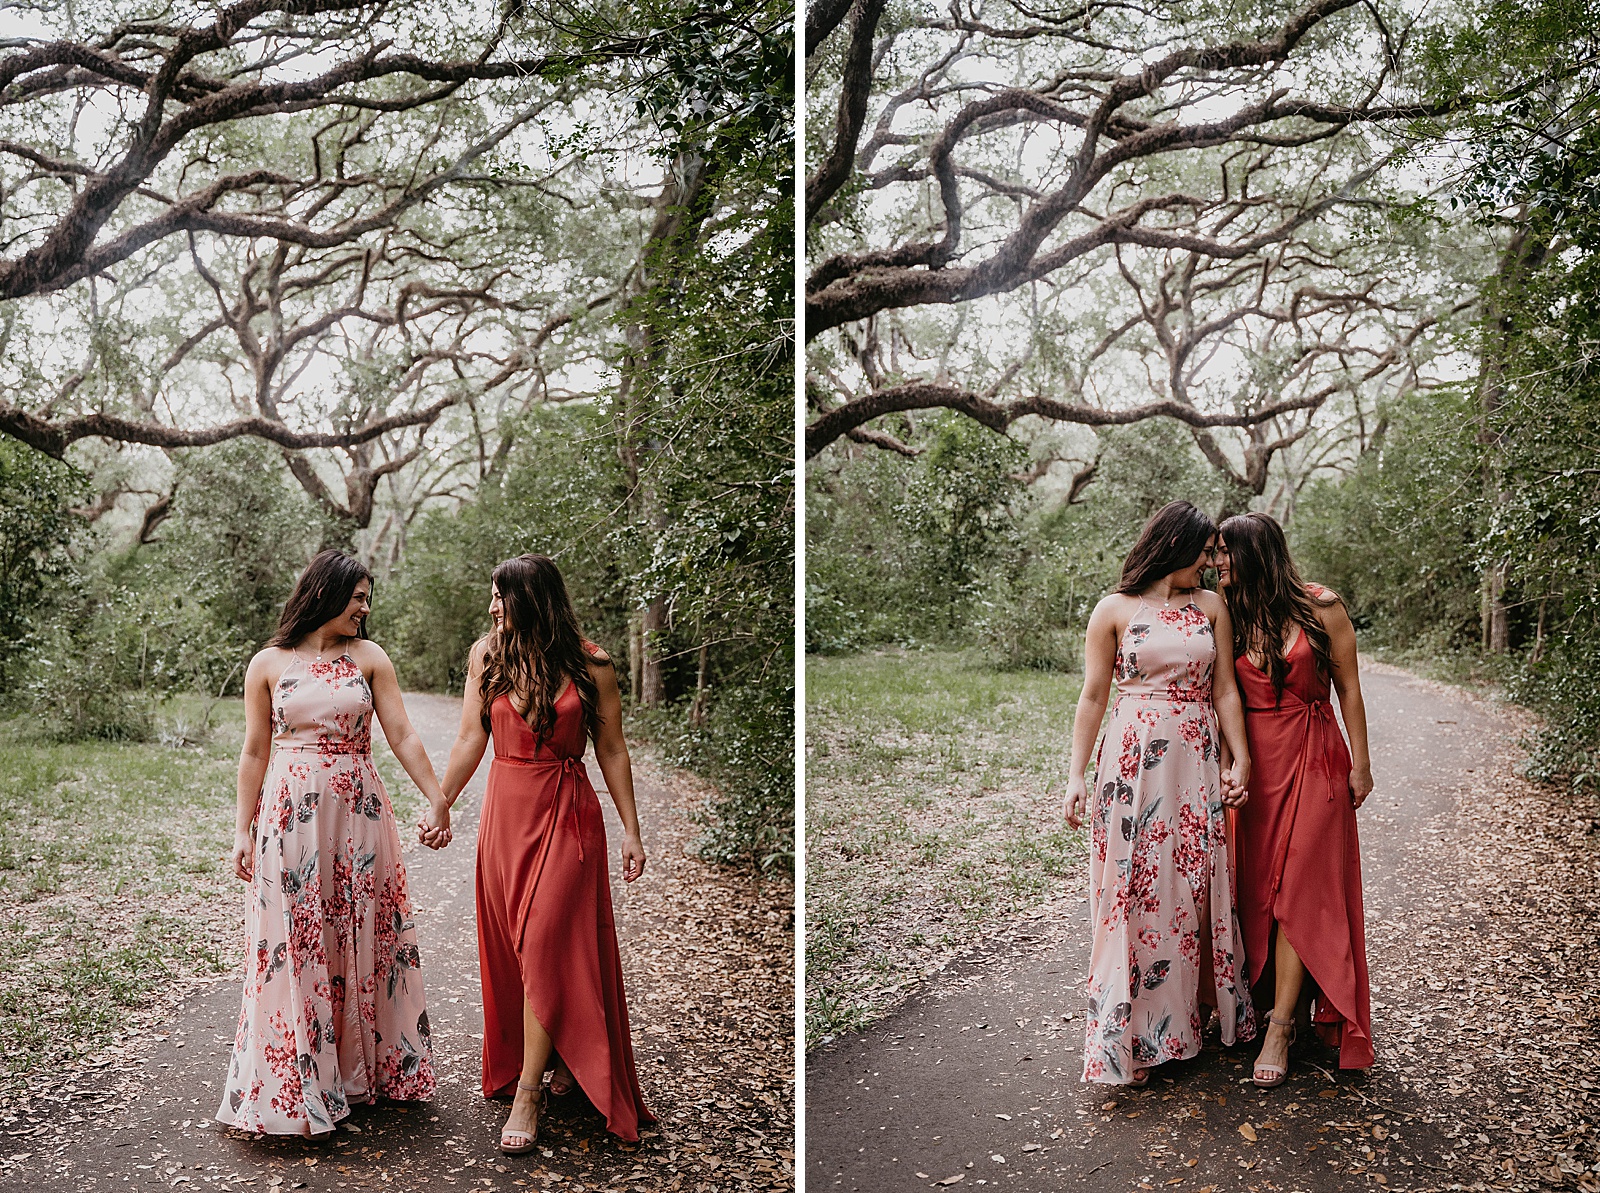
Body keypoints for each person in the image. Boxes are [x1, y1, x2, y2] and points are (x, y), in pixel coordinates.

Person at [217, 550, 452, 1135]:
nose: (366, 609)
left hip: (358, 811)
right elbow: (253, 751)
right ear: (325, 594)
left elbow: (400, 731)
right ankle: (300, 1082)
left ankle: (360, 1073)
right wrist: (241, 831)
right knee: (298, 936)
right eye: (359, 598)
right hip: (291, 813)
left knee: (361, 929)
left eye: (368, 599)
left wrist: (437, 796)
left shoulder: (369, 658)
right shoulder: (268, 663)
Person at [435, 553, 653, 1153]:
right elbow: (469, 736)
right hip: (506, 814)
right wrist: (442, 801)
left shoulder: (591, 662)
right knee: (518, 950)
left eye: (500, 597)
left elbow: (611, 750)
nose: (491, 607)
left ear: (531, 599)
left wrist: (632, 830)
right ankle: (555, 1054)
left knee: (546, 941)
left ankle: (529, 1092)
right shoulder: (488, 656)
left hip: (567, 814)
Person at [1064, 501, 1255, 1085]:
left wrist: (1239, 753)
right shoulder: (1113, 609)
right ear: (1175, 546)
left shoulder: (1211, 607)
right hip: (1130, 760)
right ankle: (1129, 1039)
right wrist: (1075, 774)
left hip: (1195, 759)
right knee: (1130, 892)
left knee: (1187, 887)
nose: (1210, 563)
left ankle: (1183, 1023)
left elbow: (1224, 690)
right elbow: (1094, 696)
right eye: (1203, 553)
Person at [1216, 512, 1374, 1086]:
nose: (1218, 562)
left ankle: (1282, 1026)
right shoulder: (1224, 614)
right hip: (1255, 767)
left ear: (1258, 552)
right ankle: (1253, 1005)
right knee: (1255, 889)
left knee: (1301, 889)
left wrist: (1362, 762)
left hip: (1315, 756)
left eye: (1227, 551)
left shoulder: (1321, 606)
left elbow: (1350, 688)